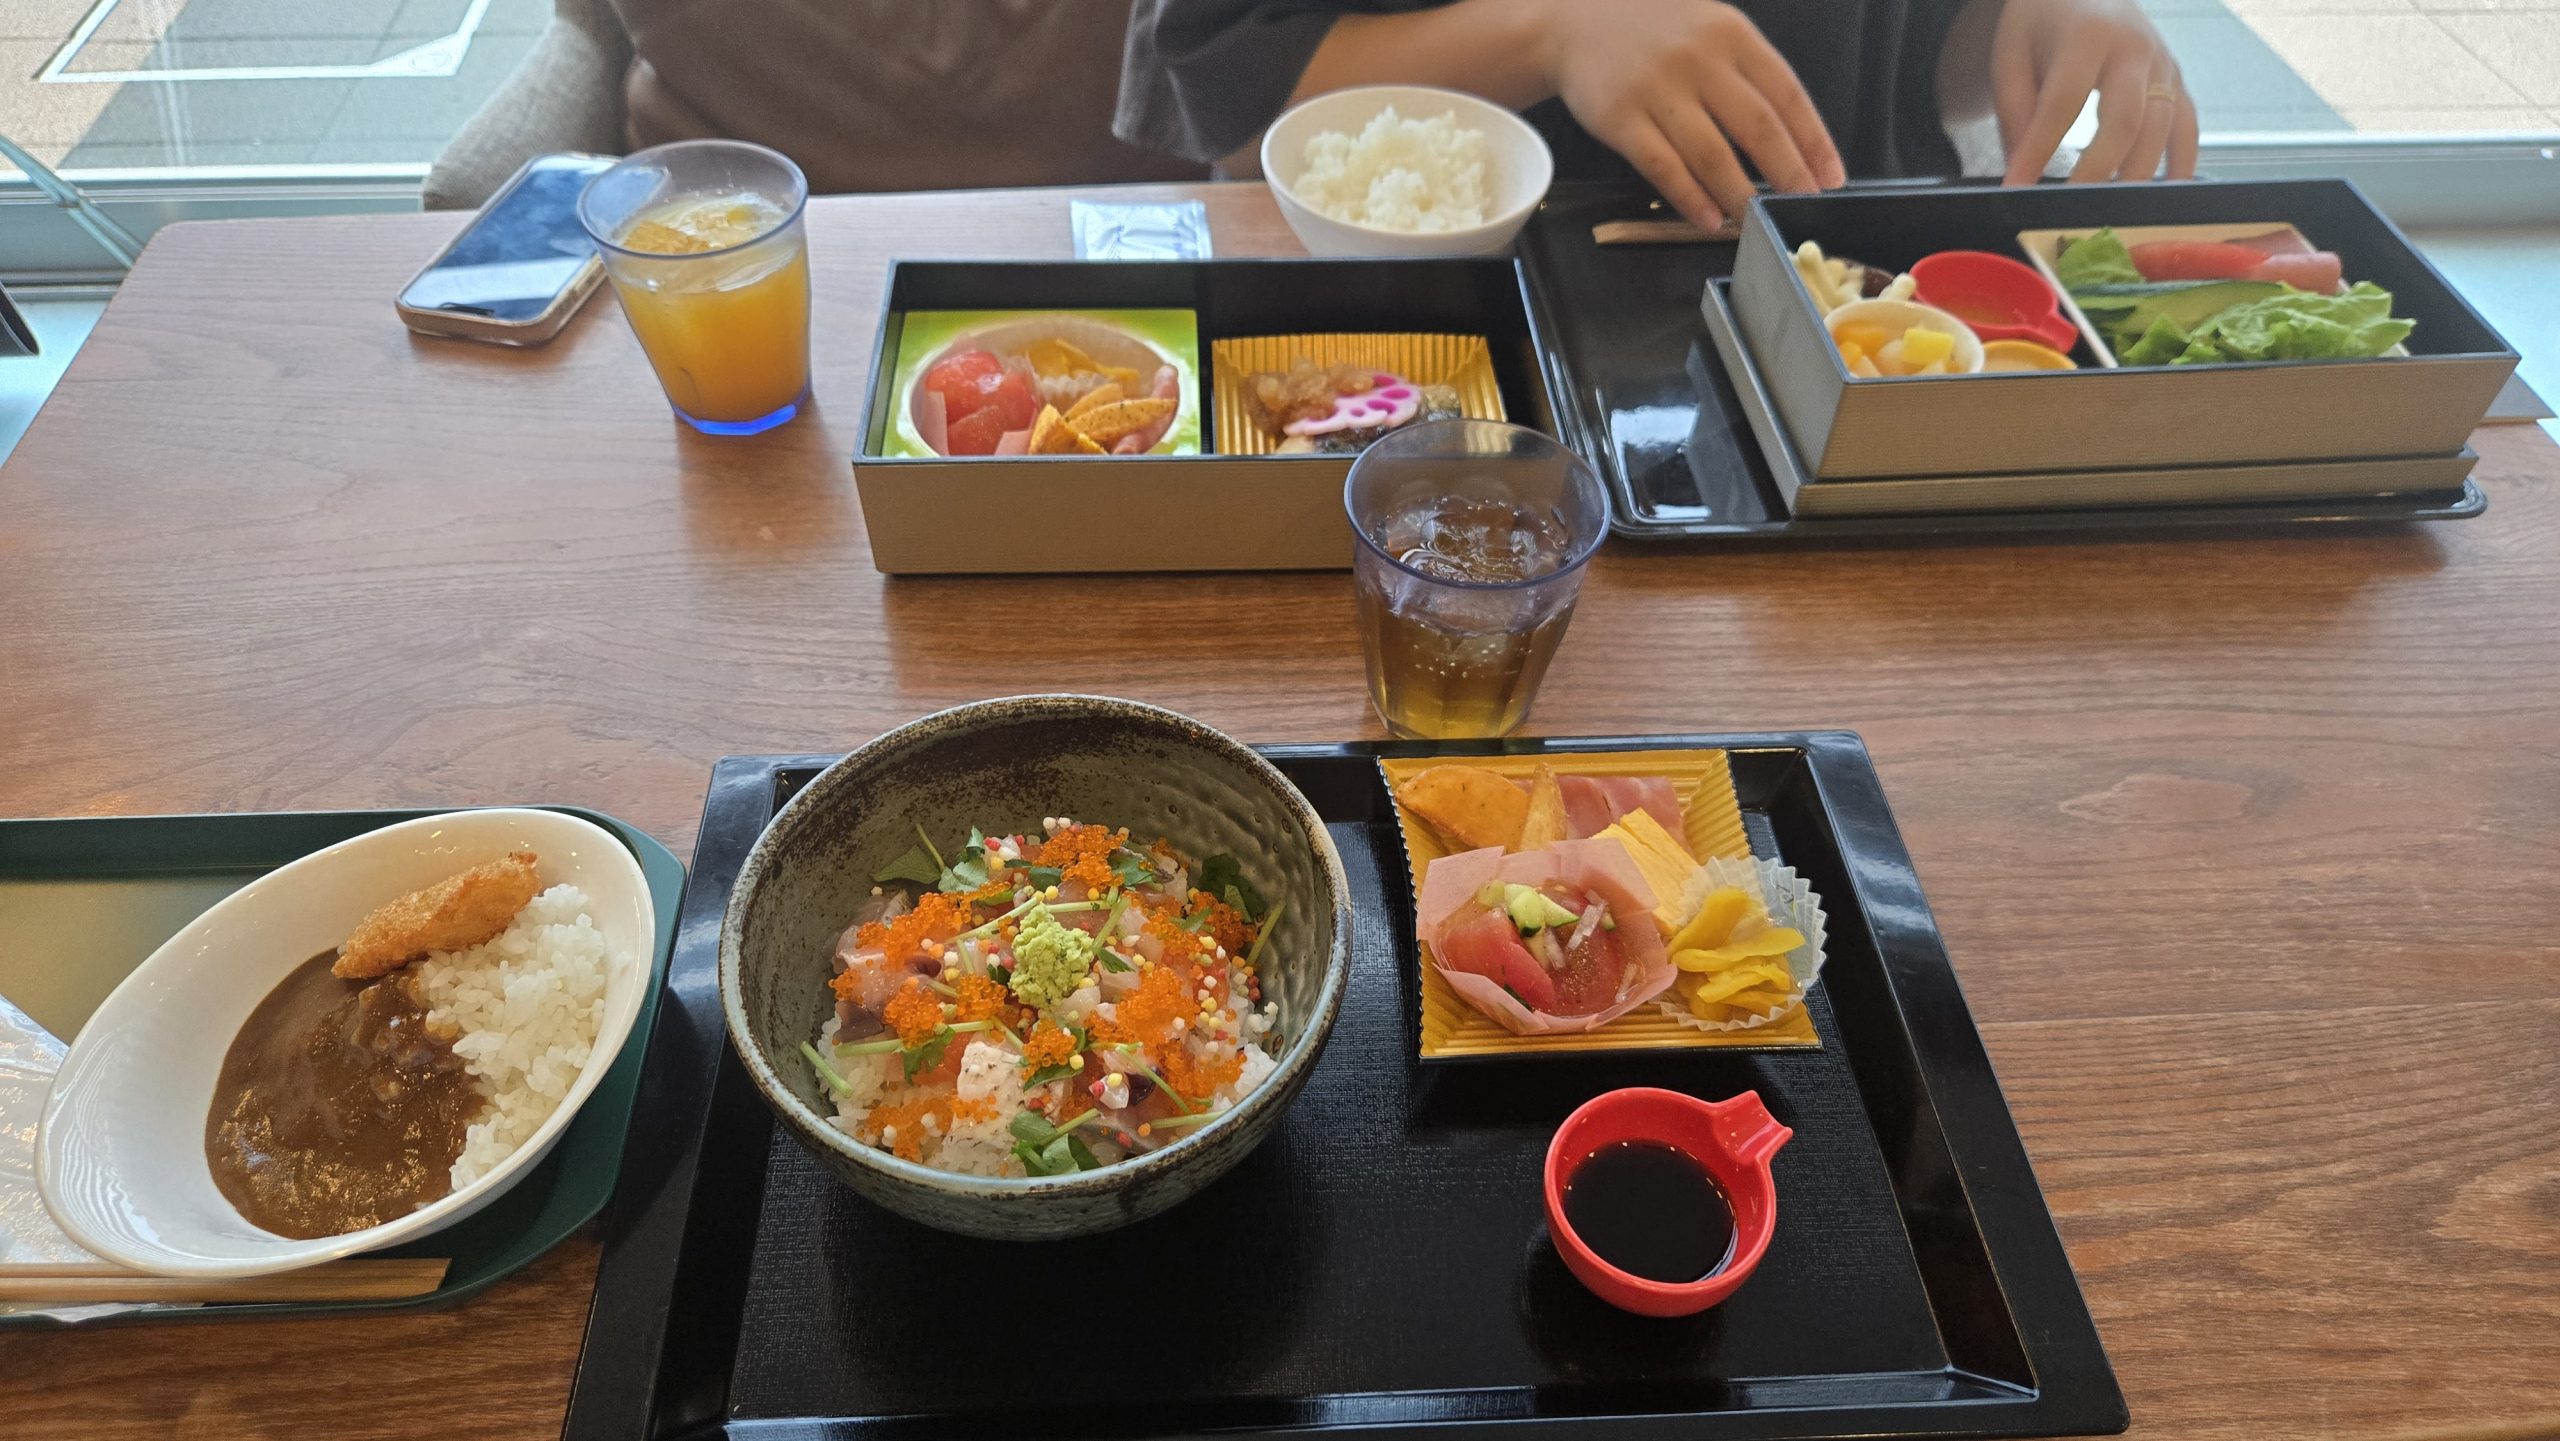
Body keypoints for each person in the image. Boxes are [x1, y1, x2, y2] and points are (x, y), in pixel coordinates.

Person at [1119, 0, 2199, 232]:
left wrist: (2043, 26)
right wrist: (1553, 33)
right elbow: (1229, 98)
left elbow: (1911, 68)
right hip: (1444, 330)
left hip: (1829, 311)